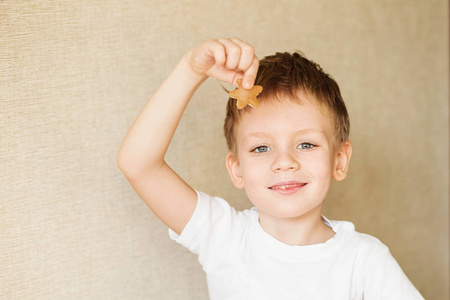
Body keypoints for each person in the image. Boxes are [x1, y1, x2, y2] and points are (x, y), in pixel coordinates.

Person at [118, 38, 423, 299]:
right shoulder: (224, 237)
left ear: (339, 160)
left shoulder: (365, 260)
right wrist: (191, 70)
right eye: (261, 148)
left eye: (306, 144)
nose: (284, 161)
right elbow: (139, 165)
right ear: (237, 169)